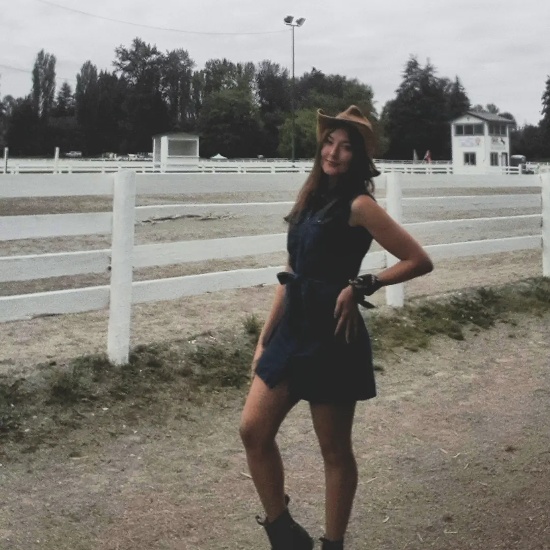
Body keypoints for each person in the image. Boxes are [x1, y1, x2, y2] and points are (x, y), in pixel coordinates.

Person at [239, 105, 433, 550]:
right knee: (253, 430)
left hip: (333, 336)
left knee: (334, 451)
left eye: (346, 147)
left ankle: (333, 543)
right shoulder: (309, 198)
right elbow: (291, 271)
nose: (334, 152)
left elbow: (418, 260)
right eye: (330, 142)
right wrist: (264, 339)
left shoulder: (360, 205)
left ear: (359, 157)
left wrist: (362, 284)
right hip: (292, 330)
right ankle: (285, 534)